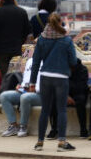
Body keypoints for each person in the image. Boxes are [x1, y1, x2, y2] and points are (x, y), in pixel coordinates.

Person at [29, 13, 77, 152]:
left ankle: (39, 142)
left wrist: (32, 82)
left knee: (45, 110)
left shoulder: (42, 39)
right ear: (60, 23)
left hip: (45, 76)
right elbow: (73, 61)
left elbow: (36, 62)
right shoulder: (66, 40)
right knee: (61, 110)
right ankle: (61, 142)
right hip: (61, 76)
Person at [0, 57, 42, 137]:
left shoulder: (48, 60)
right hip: (27, 91)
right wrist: (21, 86)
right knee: (4, 96)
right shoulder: (30, 60)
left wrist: (35, 88)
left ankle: (23, 127)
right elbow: (26, 80)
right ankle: (13, 126)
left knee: (25, 97)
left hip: (42, 94)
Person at [68, 58, 90, 138]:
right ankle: (54, 129)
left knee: (80, 101)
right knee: (54, 101)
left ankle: (83, 130)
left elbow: (81, 87)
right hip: (67, 94)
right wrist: (67, 96)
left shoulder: (83, 70)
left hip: (79, 94)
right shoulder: (65, 68)